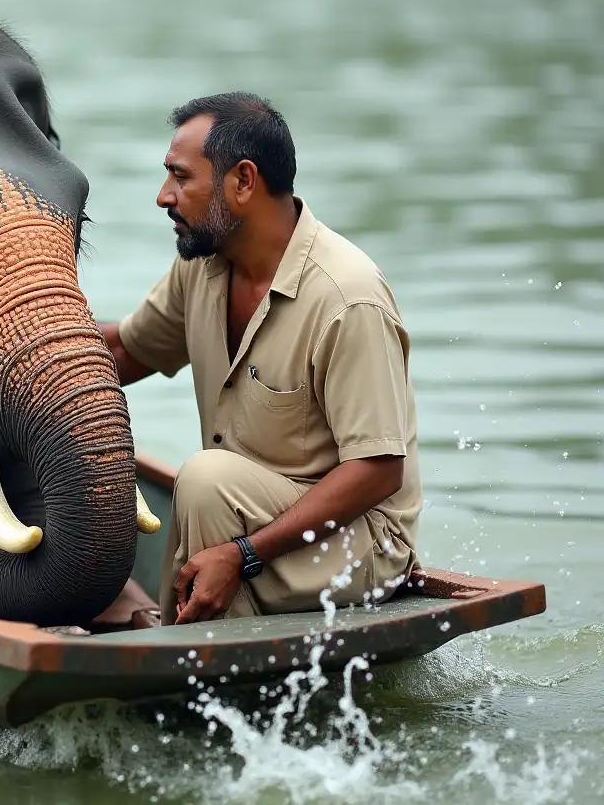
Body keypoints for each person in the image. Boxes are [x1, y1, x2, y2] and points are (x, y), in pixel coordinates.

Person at [100, 92, 422, 626]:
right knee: (208, 485)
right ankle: (189, 640)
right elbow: (127, 350)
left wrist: (243, 554)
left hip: (356, 540)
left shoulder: (347, 296)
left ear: (243, 182)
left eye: (181, 177)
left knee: (204, 482)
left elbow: (378, 471)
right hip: (242, 517)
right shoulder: (202, 266)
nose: (163, 197)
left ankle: (186, 654)